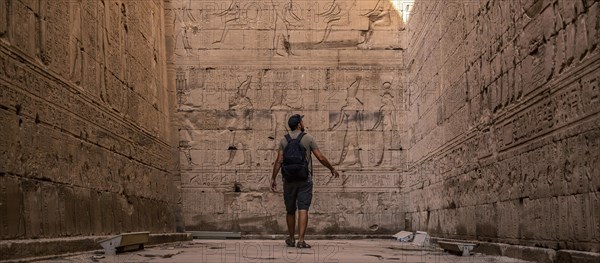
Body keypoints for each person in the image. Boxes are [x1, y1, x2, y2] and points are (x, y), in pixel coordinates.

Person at [270, 114, 339, 248]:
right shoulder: (308, 138)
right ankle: (301, 241)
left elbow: (279, 161)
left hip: (288, 179)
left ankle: (291, 239)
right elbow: (321, 157)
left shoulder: (284, 140)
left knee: (290, 210)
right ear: (299, 124)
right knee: (303, 208)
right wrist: (331, 168)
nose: (303, 123)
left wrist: (273, 178)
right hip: (304, 179)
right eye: (302, 121)